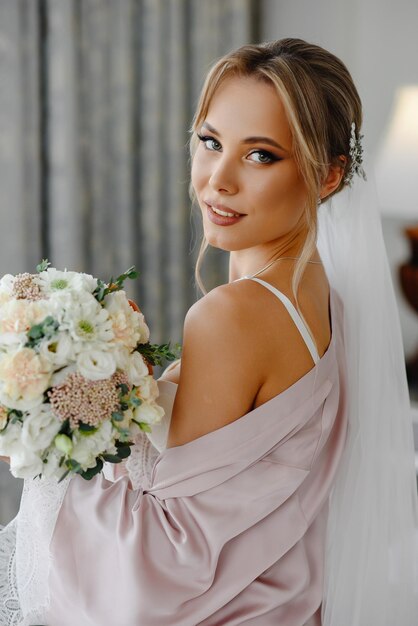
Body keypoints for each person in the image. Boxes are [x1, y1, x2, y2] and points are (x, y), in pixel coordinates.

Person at [1, 38, 417, 625]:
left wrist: (60, 421)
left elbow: (164, 563)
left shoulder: (233, 314)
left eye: (261, 155)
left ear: (327, 176)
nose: (217, 179)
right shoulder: (324, 298)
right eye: (211, 142)